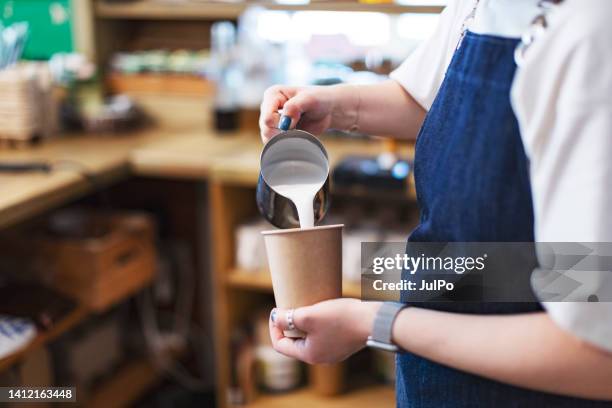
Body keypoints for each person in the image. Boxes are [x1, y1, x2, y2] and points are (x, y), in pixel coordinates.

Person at [259, 0, 612, 406]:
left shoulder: (592, 30)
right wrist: (337, 107)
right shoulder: (480, 5)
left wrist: (375, 322)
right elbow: (431, 99)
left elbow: (595, 349)